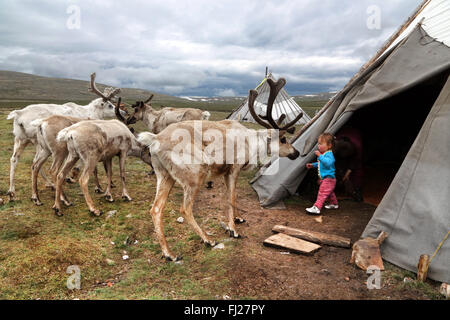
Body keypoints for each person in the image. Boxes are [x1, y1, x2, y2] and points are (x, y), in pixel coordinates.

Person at [305, 133, 338, 215]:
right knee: (329, 192)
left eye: (321, 144)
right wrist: (313, 165)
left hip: (329, 178)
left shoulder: (329, 154)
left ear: (329, 145)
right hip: (327, 179)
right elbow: (321, 163)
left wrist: (320, 156)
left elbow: (328, 163)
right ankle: (334, 204)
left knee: (322, 193)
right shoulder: (324, 154)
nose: (318, 146)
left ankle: (317, 207)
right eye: (318, 144)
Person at [334, 127, 364, 202]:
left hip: (353, 148)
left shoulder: (357, 146)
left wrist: (347, 174)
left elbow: (355, 162)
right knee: (338, 169)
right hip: (339, 152)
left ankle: (357, 190)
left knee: (357, 171)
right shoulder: (336, 144)